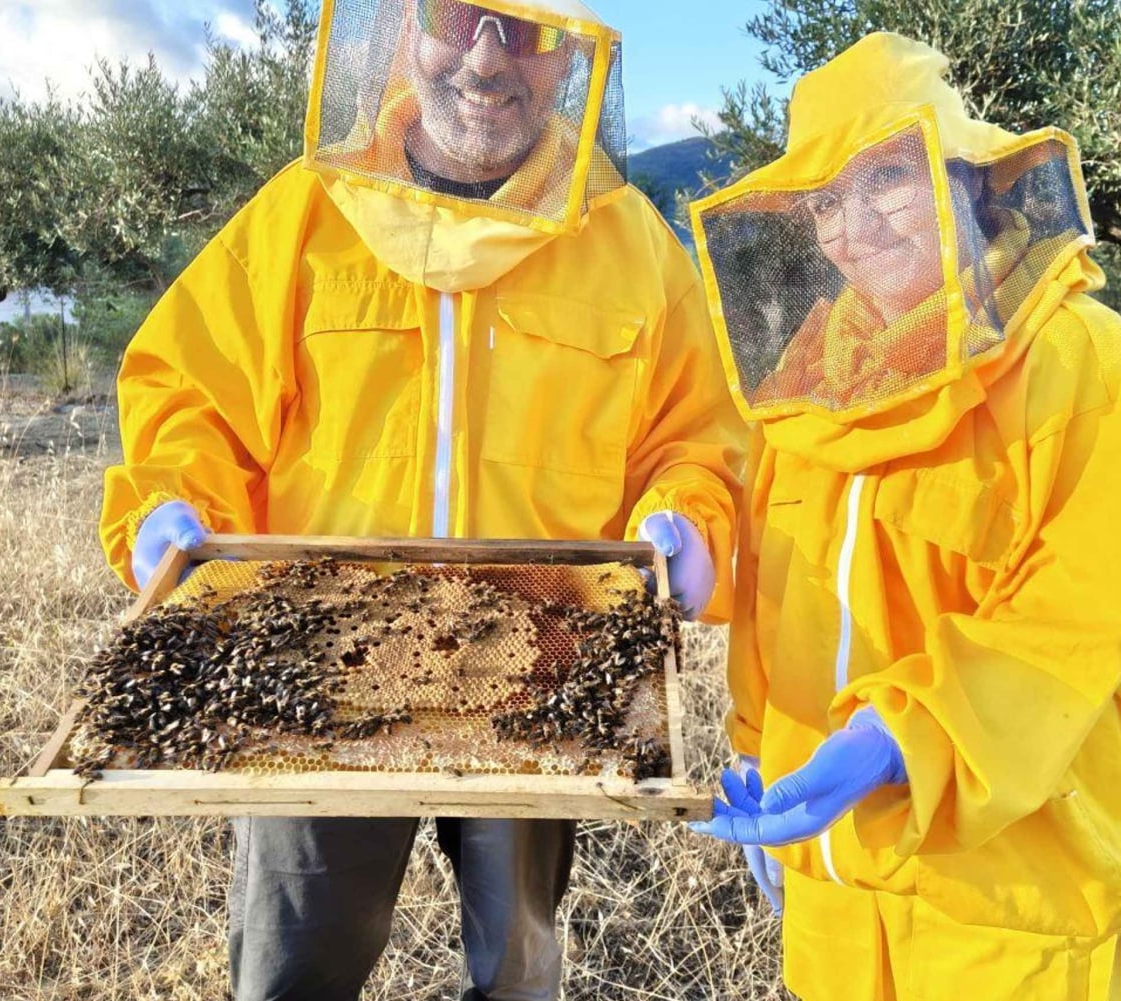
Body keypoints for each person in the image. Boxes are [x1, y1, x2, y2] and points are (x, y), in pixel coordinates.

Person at [98, 2, 744, 999]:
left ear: (570, 57)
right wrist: (169, 507)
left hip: (541, 674)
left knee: (519, 971)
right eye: (457, 17)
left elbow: (694, 435)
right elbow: (193, 396)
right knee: (293, 969)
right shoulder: (304, 214)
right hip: (314, 677)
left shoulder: (629, 242)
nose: (488, 62)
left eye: (523, 32)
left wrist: (686, 522)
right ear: (401, 27)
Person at [688, 33, 1121, 1000]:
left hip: (1003, 892)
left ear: (965, 175)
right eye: (827, 200)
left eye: (884, 178)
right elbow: (779, 598)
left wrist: (899, 735)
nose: (854, 227)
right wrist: (760, 743)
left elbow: (1069, 619)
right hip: (831, 881)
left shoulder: (1075, 352)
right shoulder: (809, 376)